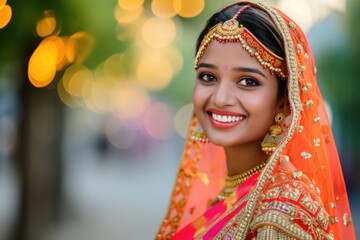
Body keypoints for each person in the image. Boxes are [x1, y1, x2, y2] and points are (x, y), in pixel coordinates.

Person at [156, 1, 356, 239]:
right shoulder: (233, 191)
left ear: (283, 101)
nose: (220, 98)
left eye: (248, 82)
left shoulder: (282, 211)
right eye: (208, 77)